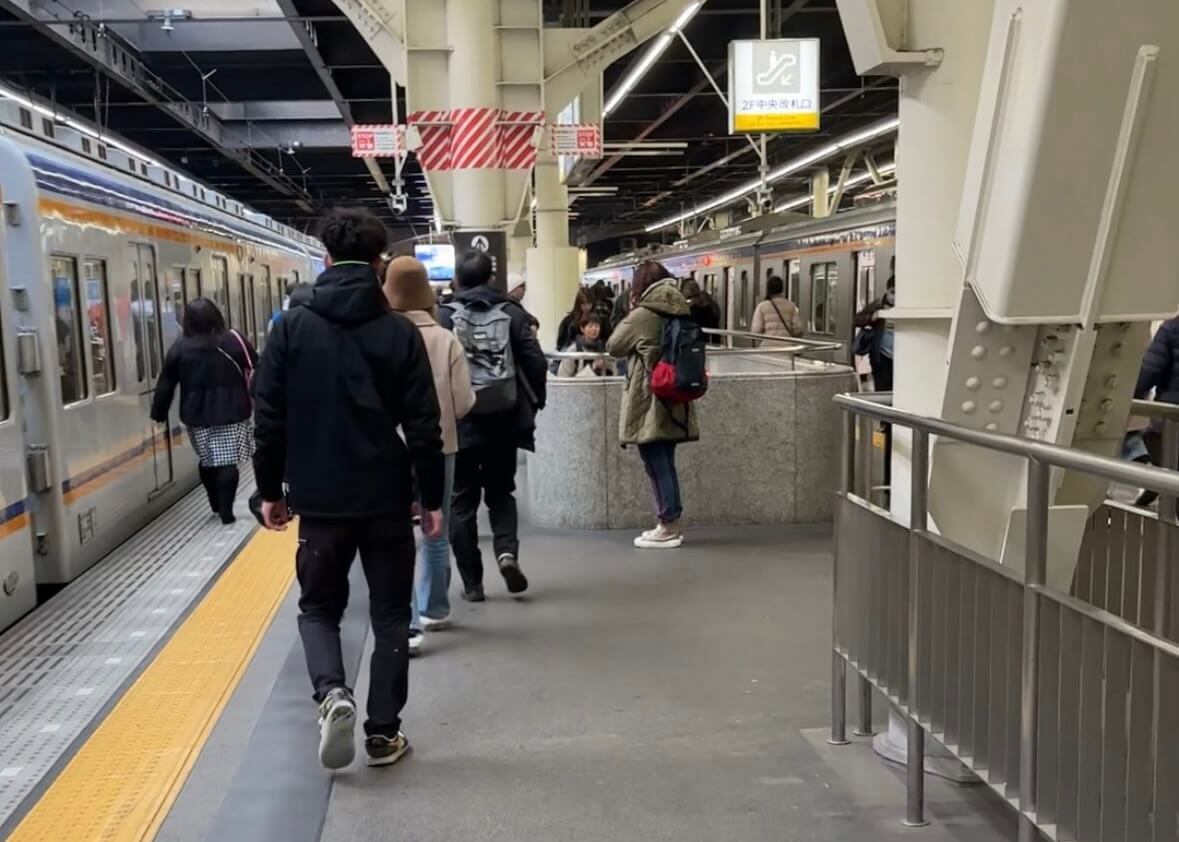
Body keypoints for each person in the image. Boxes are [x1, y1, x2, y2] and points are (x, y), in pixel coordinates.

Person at [253, 207, 446, 771]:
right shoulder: (399, 331)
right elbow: (424, 426)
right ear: (378, 262)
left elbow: (269, 419)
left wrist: (272, 492)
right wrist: (429, 498)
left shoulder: (290, 328)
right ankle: (383, 734)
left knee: (318, 609)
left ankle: (331, 692)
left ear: (327, 259)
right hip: (386, 497)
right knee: (389, 614)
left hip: (318, 500)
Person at [438, 250, 547, 602]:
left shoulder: (444, 316)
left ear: (458, 279)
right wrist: (535, 402)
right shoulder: (512, 313)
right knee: (501, 493)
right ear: (491, 278)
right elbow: (534, 361)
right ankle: (507, 554)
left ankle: (472, 584)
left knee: (461, 502)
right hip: (503, 419)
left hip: (460, 422)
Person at [384, 256, 476, 656]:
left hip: (390, 449)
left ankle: (406, 623)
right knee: (435, 527)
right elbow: (463, 402)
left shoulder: (381, 337)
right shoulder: (445, 338)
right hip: (443, 446)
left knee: (396, 536)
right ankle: (434, 608)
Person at [606, 260, 699, 549]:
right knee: (665, 462)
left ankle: (668, 524)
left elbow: (614, 345)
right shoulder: (680, 307)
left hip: (649, 398)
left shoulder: (644, 314)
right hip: (675, 393)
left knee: (656, 463)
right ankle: (671, 521)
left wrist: (632, 311)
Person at [151, 297, 257, 525]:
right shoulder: (234, 340)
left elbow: (166, 382)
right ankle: (227, 511)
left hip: (196, 414)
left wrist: (158, 412)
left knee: (208, 460)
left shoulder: (180, 347)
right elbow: (257, 364)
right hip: (233, 409)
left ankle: (216, 505)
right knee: (228, 461)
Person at [1132, 314, 1179, 507]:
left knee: (1169, 478)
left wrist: (1131, 398)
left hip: (1171, 421)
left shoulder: (1173, 327)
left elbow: (1148, 373)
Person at [854, 275, 896, 392]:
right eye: (892, 292)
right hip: (881, 357)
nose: (894, 297)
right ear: (887, 290)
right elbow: (857, 319)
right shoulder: (878, 305)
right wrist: (871, 317)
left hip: (901, 359)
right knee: (883, 389)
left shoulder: (906, 307)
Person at [557, 313, 612, 377]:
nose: (594, 329)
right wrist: (592, 368)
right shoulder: (573, 350)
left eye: (597, 326)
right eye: (590, 326)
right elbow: (563, 378)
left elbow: (612, 375)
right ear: (582, 329)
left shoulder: (604, 350)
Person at [556, 287, 594, 352]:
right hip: (571, 353)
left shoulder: (598, 320)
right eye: (584, 305)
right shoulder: (568, 321)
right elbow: (561, 343)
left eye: (589, 304)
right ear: (578, 304)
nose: (587, 307)